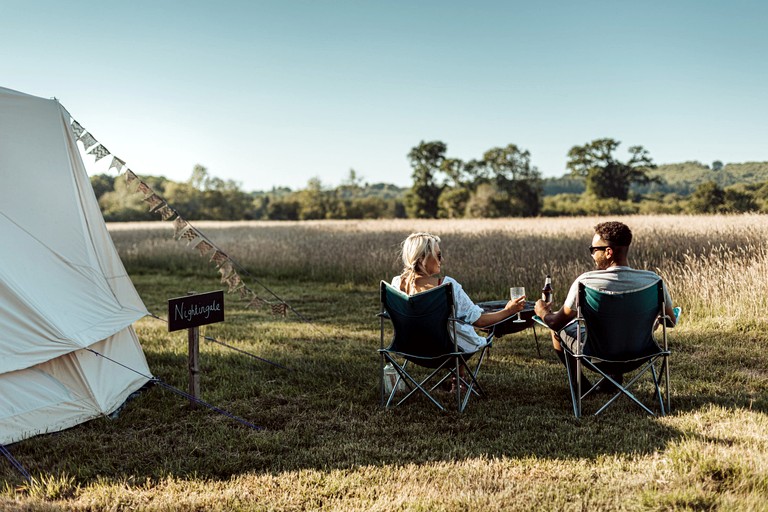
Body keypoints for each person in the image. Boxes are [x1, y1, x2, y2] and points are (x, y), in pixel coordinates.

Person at [533, 221, 676, 392]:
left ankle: (580, 386)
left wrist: (542, 312)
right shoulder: (653, 281)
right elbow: (671, 322)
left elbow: (556, 323)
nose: (592, 255)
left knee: (556, 332)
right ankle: (612, 380)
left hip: (596, 355)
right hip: (641, 354)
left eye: (593, 250)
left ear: (608, 252)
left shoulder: (585, 283)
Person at [392, 232, 526, 353]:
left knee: (454, 325)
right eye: (438, 255)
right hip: (447, 351)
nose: (441, 260)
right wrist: (509, 310)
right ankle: (458, 376)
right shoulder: (447, 286)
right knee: (459, 329)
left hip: (410, 349)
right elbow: (479, 322)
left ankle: (458, 375)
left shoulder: (397, 284)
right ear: (422, 259)